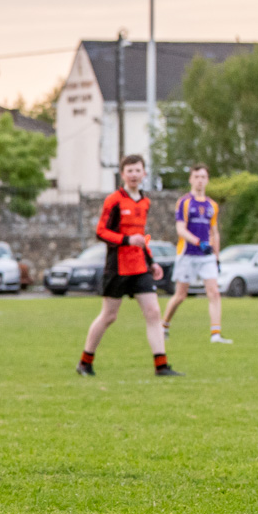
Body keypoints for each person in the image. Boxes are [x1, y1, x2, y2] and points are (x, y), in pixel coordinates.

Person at [76, 154, 180, 378]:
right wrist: (126, 240)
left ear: (144, 173)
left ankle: (161, 366)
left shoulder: (145, 201)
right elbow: (101, 232)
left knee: (153, 312)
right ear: (122, 174)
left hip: (140, 267)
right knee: (109, 316)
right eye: (129, 171)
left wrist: (152, 262)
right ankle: (85, 362)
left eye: (137, 170)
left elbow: (141, 236)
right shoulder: (113, 200)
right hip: (117, 267)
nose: (133, 175)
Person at [161, 163, 231, 344]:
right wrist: (198, 242)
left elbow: (214, 232)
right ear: (191, 179)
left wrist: (216, 255)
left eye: (203, 177)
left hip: (206, 256)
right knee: (180, 296)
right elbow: (180, 229)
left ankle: (215, 334)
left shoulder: (212, 206)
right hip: (187, 254)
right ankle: (164, 325)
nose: (200, 180)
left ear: (207, 180)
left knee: (214, 292)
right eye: (197, 177)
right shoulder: (184, 202)